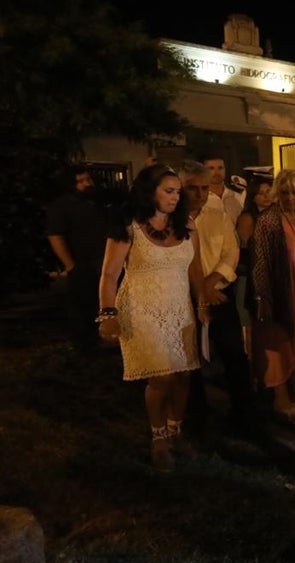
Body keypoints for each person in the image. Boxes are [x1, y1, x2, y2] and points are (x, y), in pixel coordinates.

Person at [96, 164, 209, 471]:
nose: (175, 197)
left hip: (179, 309)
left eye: (177, 192)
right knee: (161, 376)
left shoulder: (186, 225)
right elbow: (109, 274)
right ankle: (158, 438)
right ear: (150, 191)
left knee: (184, 373)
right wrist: (107, 313)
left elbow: (193, 268)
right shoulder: (129, 226)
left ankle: (176, 431)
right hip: (141, 309)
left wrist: (201, 302)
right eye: (168, 191)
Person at [179, 160, 255, 441]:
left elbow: (231, 252)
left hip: (219, 294)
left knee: (234, 355)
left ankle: (243, 415)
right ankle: (198, 418)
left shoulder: (217, 214)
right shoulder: (173, 220)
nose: (199, 194)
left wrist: (210, 284)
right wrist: (199, 290)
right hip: (185, 298)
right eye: (192, 188)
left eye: (203, 188)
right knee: (191, 360)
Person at [250, 169, 295, 426]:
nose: (290, 197)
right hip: (281, 293)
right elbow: (259, 263)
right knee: (278, 345)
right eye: (284, 192)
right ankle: (281, 401)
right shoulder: (268, 220)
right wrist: (263, 297)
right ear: (276, 193)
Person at [46, 164, 110, 349]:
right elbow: (55, 236)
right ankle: (85, 344)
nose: (86, 184)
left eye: (88, 179)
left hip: (103, 261)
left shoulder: (98, 202)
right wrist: (70, 265)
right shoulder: (61, 206)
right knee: (83, 305)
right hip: (82, 263)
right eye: (80, 181)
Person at [235, 176, 273, 353]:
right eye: (261, 193)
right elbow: (249, 246)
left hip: (273, 273)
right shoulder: (248, 218)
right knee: (250, 319)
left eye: (268, 192)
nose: (266, 196)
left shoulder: (276, 214)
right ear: (253, 197)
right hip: (250, 273)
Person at [201, 154, 245, 226]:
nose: (216, 172)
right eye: (211, 168)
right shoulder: (200, 199)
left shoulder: (237, 197)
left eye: (220, 168)